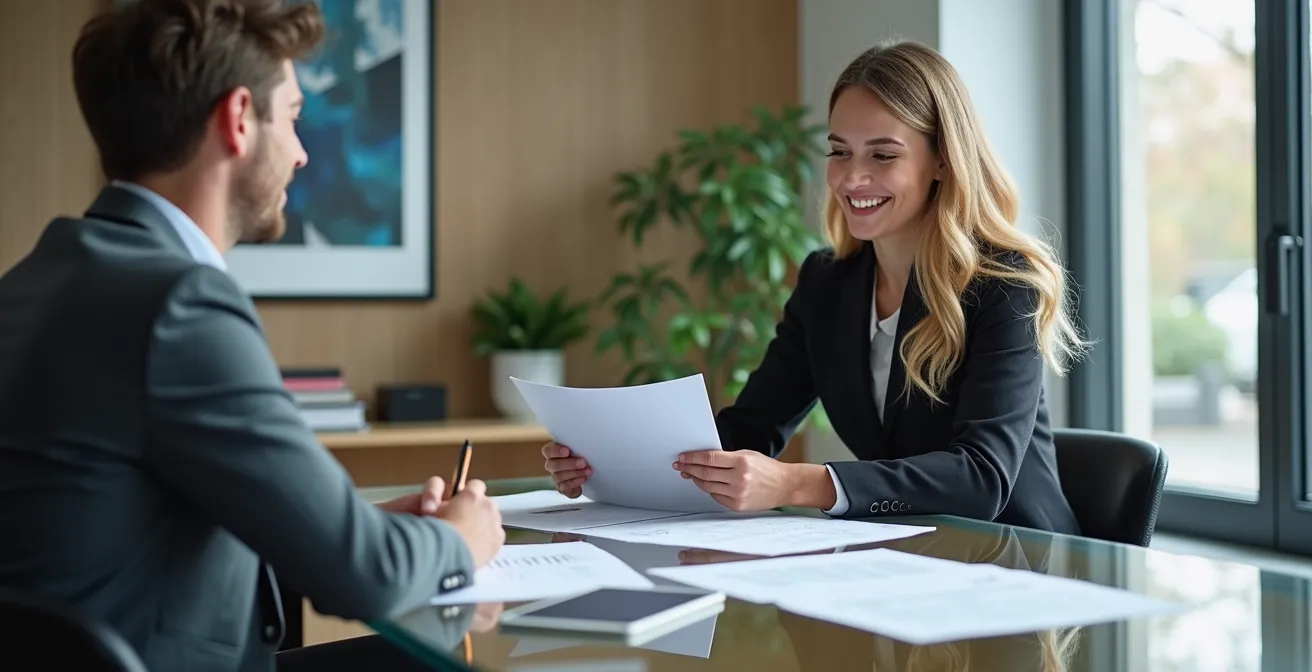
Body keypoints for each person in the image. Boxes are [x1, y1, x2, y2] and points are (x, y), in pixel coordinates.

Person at [0, 1, 503, 671]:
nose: (300, 154)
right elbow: (364, 580)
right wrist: (461, 540)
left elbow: (135, 523)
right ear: (239, 120)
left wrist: (363, 531)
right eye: (293, 117)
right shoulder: (180, 305)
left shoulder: (36, 279)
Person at [543, 40, 1086, 535]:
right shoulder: (828, 283)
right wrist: (613, 465)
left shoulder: (1003, 284)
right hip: (908, 564)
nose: (852, 178)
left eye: (883, 154)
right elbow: (750, 429)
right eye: (839, 151)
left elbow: (982, 478)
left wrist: (799, 483)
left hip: (1024, 564)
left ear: (942, 160)